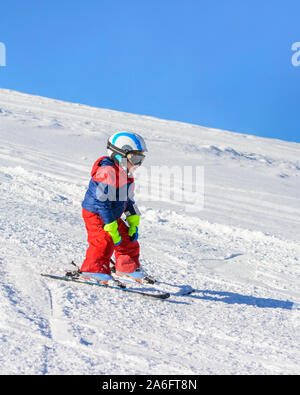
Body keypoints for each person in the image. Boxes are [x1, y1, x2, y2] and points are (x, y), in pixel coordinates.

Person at [80, 131, 151, 286]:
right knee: (104, 240)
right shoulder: (107, 172)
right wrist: (109, 224)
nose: (138, 164)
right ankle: (94, 270)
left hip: (111, 215)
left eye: (141, 159)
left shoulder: (127, 175)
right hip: (97, 214)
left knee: (127, 238)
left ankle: (127, 267)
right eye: (135, 158)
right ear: (120, 155)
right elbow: (101, 202)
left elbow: (129, 200)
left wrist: (133, 219)